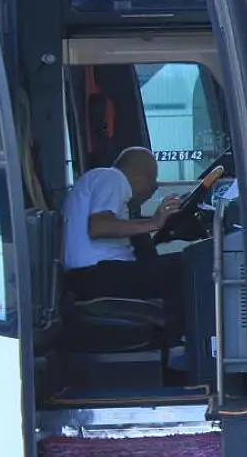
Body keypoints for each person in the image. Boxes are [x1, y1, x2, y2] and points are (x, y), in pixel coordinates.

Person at [62, 147, 185, 344]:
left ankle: (170, 337)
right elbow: (98, 226)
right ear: (140, 177)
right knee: (189, 264)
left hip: (92, 277)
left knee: (171, 267)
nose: (152, 188)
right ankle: (177, 341)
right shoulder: (112, 178)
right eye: (152, 182)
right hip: (99, 274)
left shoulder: (100, 182)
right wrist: (153, 223)